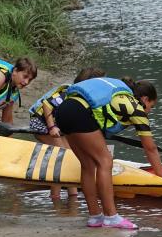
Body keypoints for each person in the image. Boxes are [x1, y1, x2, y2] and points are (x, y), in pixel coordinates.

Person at [52, 76, 162, 230]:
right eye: (151, 106)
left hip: (63, 111)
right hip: (79, 113)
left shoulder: (117, 97)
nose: (150, 111)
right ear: (145, 99)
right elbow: (150, 148)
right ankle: (111, 217)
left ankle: (95, 217)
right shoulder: (137, 109)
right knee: (105, 162)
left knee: (88, 165)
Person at [28, 67, 106, 199]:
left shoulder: (83, 96)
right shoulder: (70, 93)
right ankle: (55, 196)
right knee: (63, 157)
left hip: (59, 125)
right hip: (41, 123)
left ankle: (73, 194)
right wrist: (51, 127)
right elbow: (47, 105)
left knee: (70, 156)